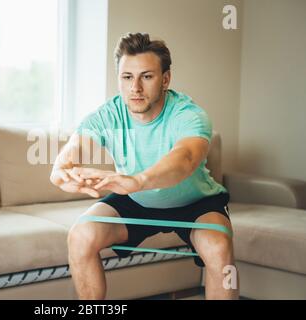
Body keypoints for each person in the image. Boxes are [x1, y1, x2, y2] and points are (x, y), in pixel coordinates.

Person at [50, 32, 239, 300]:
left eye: (146, 76)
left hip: (195, 202)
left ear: (165, 79)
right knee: (80, 236)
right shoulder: (109, 114)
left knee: (219, 248)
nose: (135, 87)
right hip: (136, 199)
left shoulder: (188, 114)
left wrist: (139, 180)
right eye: (127, 77)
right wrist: (61, 168)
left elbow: (184, 159)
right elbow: (75, 147)